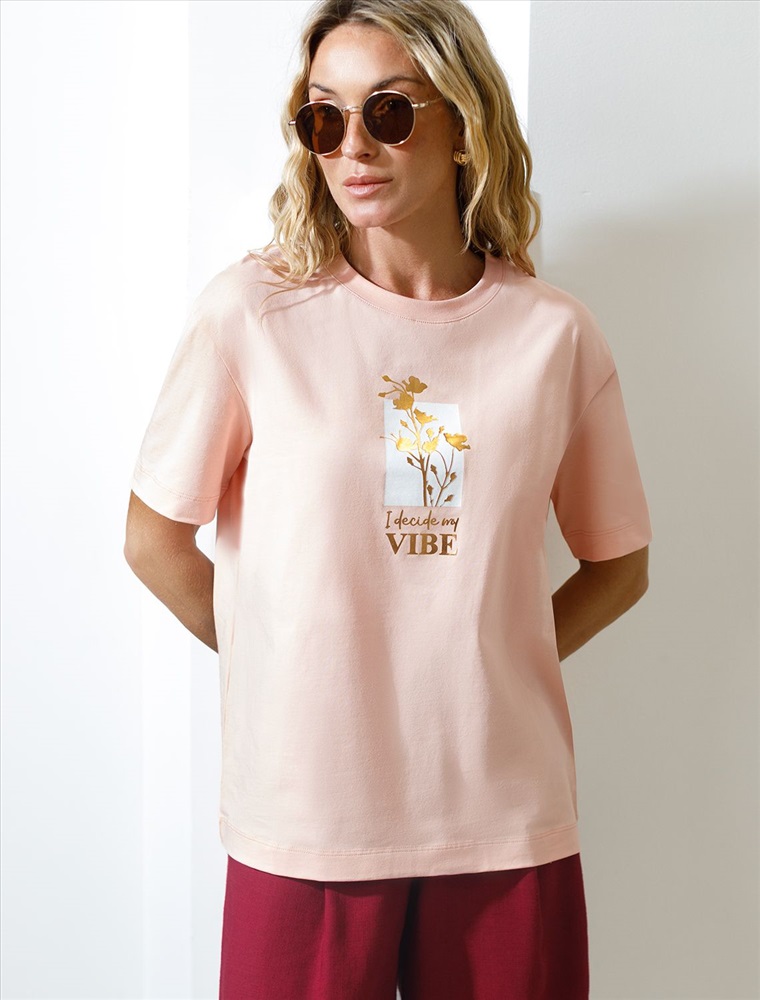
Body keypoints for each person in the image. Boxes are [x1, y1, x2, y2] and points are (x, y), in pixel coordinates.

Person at [124, 0, 652, 996]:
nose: (353, 147)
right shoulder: (254, 315)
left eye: (390, 113)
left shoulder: (555, 336)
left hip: (504, 815)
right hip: (310, 815)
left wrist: (486, 656)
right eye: (324, 118)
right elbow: (153, 539)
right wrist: (291, 663)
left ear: (464, 125)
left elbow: (618, 563)